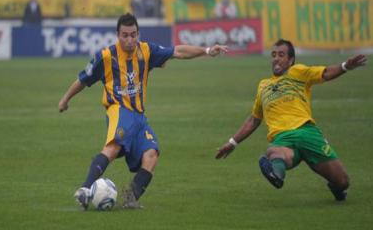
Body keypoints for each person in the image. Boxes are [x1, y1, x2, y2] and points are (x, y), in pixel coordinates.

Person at [58, 13, 228, 210]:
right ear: (117, 35)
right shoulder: (105, 56)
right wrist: (65, 99)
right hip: (119, 110)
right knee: (113, 148)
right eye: (125, 35)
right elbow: (83, 79)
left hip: (139, 116)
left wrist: (207, 50)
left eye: (133, 35)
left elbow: (178, 51)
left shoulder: (146, 51)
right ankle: (85, 190)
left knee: (151, 154)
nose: (129, 40)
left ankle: (131, 198)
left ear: (138, 33)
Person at [215, 39, 367, 201]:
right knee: (274, 152)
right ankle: (276, 176)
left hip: (308, 133)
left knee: (343, 181)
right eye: (274, 55)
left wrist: (345, 66)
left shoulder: (298, 72)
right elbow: (254, 119)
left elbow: (325, 73)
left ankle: (336, 187)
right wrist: (232, 143)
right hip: (283, 139)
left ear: (291, 60)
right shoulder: (263, 86)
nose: (276, 58)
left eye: (281, 55)